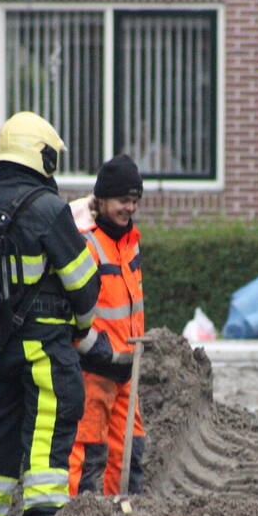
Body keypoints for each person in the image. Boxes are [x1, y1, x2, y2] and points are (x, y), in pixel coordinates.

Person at [0, 111, 100, 516]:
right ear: (41, 156)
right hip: (44, 345)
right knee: (49, 423)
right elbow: (84, 285)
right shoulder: (49, 209)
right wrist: (81, 330)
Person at [67, 154, 147, 496]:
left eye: (134, 201)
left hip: (126, 365)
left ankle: (123, 511)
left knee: (131, 448)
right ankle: (73, 514)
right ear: (101, 200)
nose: (130, 208)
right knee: (87, 451)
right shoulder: (86, 242)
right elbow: (71, 310)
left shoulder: (129, 241)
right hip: (94, 367)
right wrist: (93, 348)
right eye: (122, 200)